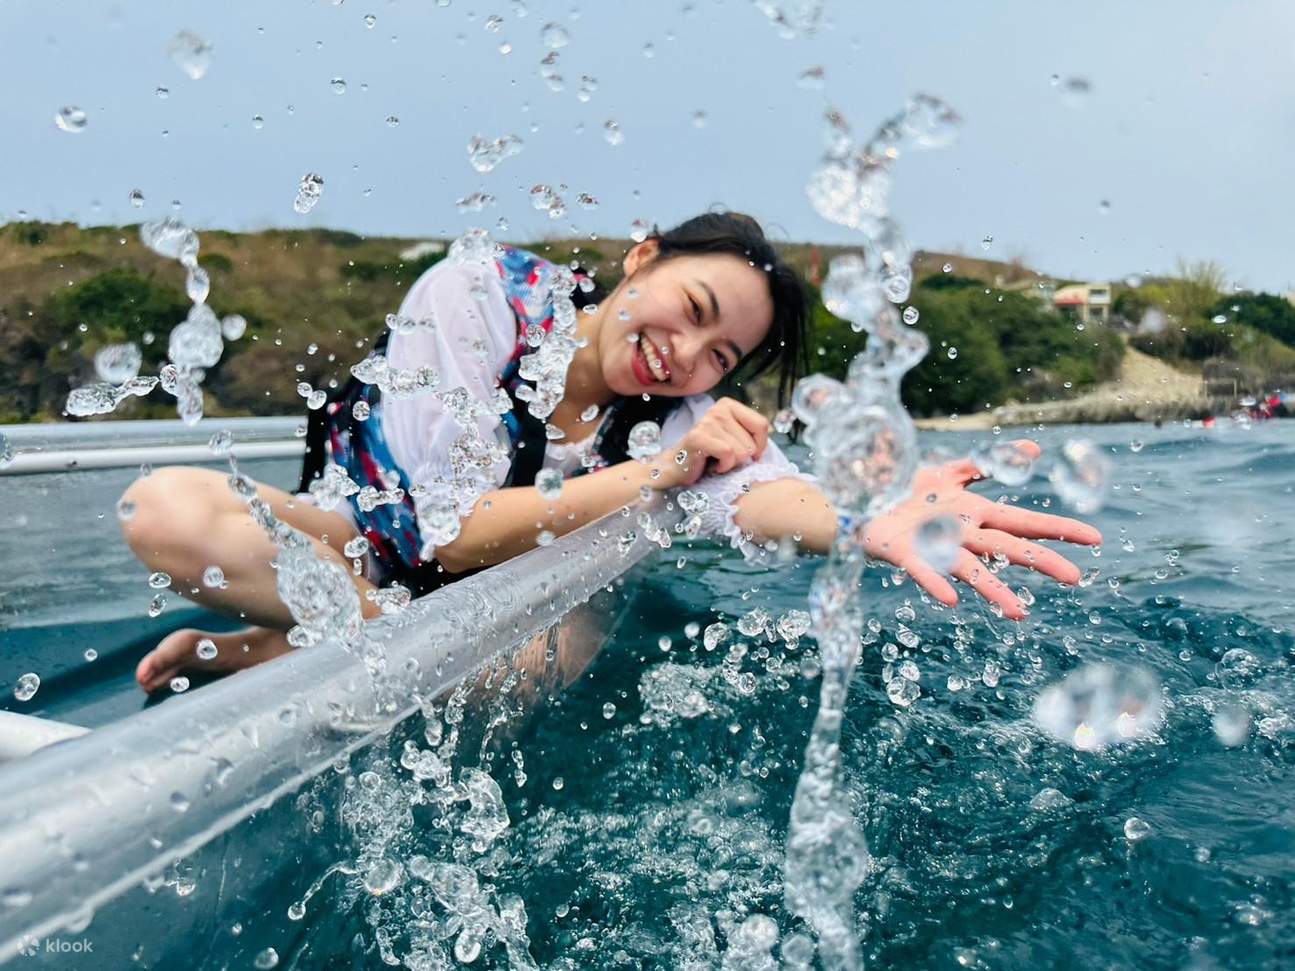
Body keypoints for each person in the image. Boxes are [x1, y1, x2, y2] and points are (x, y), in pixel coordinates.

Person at [120, 212, 1100, 693]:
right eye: (693, 311)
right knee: (163, 509)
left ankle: (287, 651)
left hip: (489, 624)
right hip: (364, 548)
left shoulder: (677, 412)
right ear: (642, 257)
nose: (684, 356)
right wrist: (658, 474)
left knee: (561, 648)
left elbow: (757, 493)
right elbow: (446, 529)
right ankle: (308, 646)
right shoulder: (479, 297)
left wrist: (860, 521)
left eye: (718, 356)